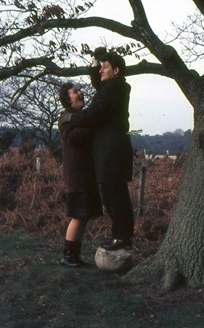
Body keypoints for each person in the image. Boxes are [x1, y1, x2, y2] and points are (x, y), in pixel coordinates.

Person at [68, 49, 135, 251]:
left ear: (116, 70)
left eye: (105, 67)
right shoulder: (111, 87)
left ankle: (122, 238)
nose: (100, 70)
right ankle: (120, 236)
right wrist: (95, 61)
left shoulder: (115, 88)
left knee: (115, 195)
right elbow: (97, 82)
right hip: (110, 152)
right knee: (112, 194)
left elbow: (94, 114)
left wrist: (71, 117)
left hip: (112, 152)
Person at [57, 82, 103, 267]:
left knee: (83, 216)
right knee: (78, 216)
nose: (80, 93)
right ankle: (68, 256)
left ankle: (73, 256)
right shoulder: (67, 119)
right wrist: (93, 127)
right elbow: (74, 139)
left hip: (84, 174)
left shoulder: (76, 117)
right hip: (76, 176)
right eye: (75, 92)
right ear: (68, 99)